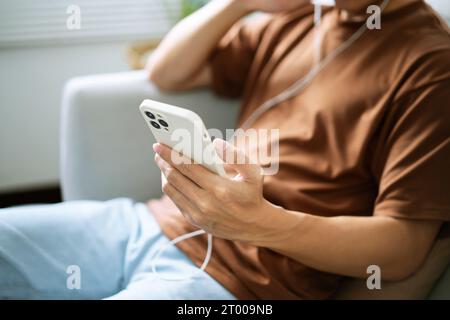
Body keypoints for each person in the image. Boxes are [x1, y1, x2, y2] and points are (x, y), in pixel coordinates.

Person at [1, 0, 449, 299]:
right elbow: (168, 71)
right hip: (146, 225)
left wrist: (263, 225)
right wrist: (242, 2)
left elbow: (404, 248)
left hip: (239, 284)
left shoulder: (431, 64)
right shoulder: (298, 19)